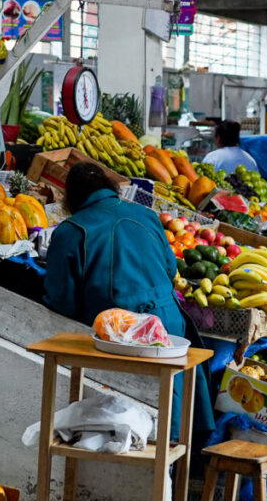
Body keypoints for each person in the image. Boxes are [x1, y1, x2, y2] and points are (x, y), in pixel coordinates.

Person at [44, 163, 214, 440]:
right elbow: (171, 270)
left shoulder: (71, 231)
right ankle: (172, 471)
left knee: (136, 429)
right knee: (170, 424)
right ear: (110, 188)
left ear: (71, 198)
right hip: (169, 323)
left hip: (120, 333)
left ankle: (158, 473)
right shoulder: (145, 215)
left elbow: (61, 301)